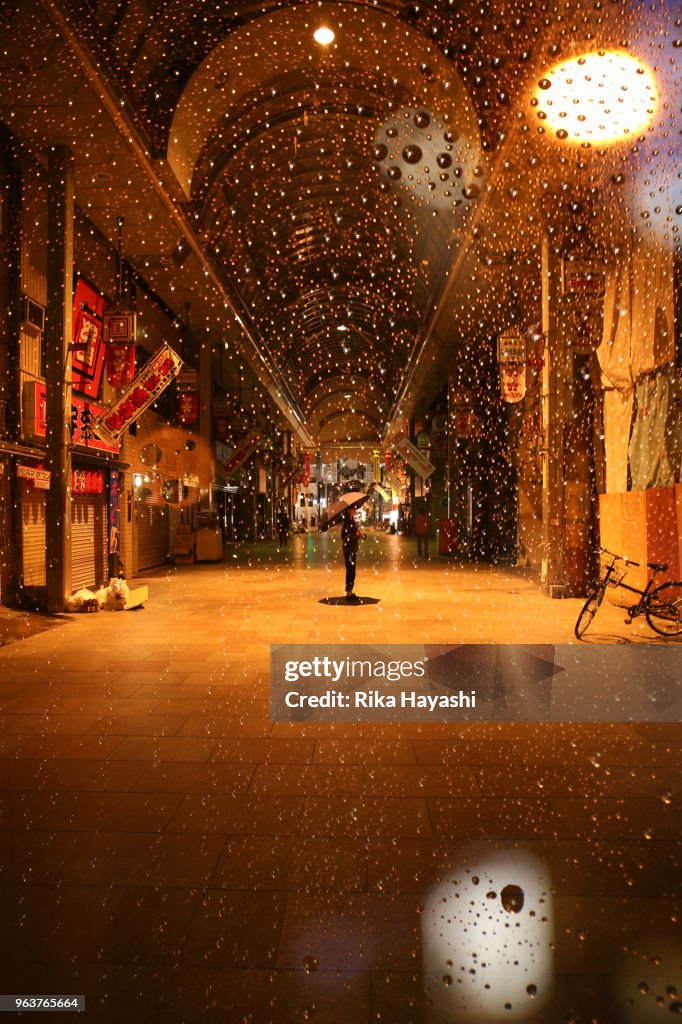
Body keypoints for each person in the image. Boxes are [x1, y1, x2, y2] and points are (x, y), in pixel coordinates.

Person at [341, 506, 362, 601]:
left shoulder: (351, 521)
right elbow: (344, 536)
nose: (355, 510)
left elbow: (352, 535)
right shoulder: (347, 523)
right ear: (349, 510)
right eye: (353, 509)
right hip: (349, 549)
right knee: (350, 571)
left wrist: (359, 535)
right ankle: (348, 594)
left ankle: (349, 592)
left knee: (351, 571)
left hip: (352, 548)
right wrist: (355, 534)